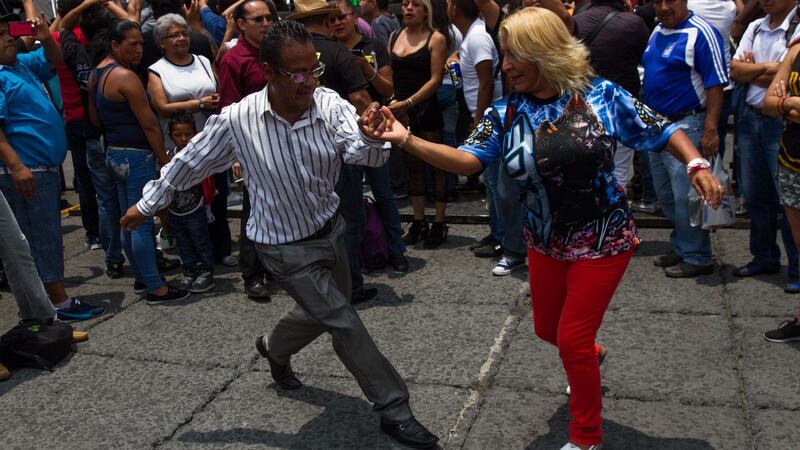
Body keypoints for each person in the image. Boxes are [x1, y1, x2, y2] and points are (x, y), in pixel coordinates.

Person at [366, 7, 723, 449]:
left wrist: (696, 163)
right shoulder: (505, 112)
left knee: (571, 340)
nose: (506, 66)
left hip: (603, 240)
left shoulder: (601, 97)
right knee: (546, 331)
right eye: (503, 55)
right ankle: (589, 358)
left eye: (515, 55)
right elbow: (467, 159)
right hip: (544, 241)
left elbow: (661, 128)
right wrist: (404, 139)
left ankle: (586, 437)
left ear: (546, 53)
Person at [120, 19, 439, 449]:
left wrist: (371, 135)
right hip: (280, 245)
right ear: (269, 71)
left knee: (324, 311)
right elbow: (189, 162)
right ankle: (394, 409)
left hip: (331, 231)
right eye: (297, 73)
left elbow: (365, 155)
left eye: (315, 69)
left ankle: (273, 346)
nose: (309, 81)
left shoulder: (329, 105)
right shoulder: (238, 119)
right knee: (343, 321)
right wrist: (147, 204)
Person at [0, 13, 106, 321]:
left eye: (10, 32)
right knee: (40, 237)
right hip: (26, 169)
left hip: (40, 168)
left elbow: (54, 59)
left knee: (45, 235)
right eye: (2, 34)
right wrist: (16, 166)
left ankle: (51, 300)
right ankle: (57, 303)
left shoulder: (18, 65)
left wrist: (46, 35)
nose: (9, 38)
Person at [88, 20, 189, 304]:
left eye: (141, 43)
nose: (138, 49)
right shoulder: (126, 77)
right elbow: (150, 125)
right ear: (115, 45)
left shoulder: (97, 74)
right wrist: (165, 160)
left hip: (114, 153)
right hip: (136, 155)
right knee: (140, 219)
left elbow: (94, 119)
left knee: (127, 219)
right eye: (132, 44)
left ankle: (144, 277)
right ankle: (156, 287)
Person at [641, 0, 728, 278]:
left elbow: (716, 84)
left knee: (687, 196)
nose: (664, 7)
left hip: (686, 124)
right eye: (658, 2)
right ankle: (681, 244)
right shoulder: (656, 31)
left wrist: (711, 129)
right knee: (665, 193)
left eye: (670, 1)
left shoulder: (702, 32)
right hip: (656, 127)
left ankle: (698, 256)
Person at [330, 0, 410, 272]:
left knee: (383, 192)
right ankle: (356, 259)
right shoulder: (327, 50)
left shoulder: (373, 47)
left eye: (343, 17)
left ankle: (396, 249)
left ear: (354, 17)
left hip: (375, 131)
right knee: (347, 200)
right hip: (341, 134)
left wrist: (366, 69)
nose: (338, 22)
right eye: (333, 18)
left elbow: (387, 88)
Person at [730, 0, 800, 291]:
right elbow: (734, 70)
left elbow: (778, 77)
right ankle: (764, 255)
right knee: (755, 194)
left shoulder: (796, 30)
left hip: (779, 124)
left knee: (788, 200)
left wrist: (754, 70)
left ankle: (796, 268)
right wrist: (768, 71)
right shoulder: (756, 27)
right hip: (750, 117)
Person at [217, 0, 277, 301]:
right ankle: (252, 275)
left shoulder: (275, 51)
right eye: (258, 19)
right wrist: (237, 155)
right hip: (252, 146)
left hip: (280, 141)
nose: (266, 23)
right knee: (254, 210)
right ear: (241, 24)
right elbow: (228, 109)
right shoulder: (234, 59)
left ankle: (275, 267)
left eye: (268, 18)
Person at [390, 0, 449, 248]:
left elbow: (436, 80)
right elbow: (392, 74)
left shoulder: (436, 38)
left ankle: (439, 221)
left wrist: (409, 102)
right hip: (402, 110)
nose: (408, 8)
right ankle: (418, 221)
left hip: (425, 108)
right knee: (412, 167)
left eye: (415, 4)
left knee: (436, 165)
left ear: (426, 10)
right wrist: (395, 102)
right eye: (405, 4)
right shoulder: (394, 35)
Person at [762, 34, 800, 342]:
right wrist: (788, 103)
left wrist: (785, 102)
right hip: (792, 162)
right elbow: (769, 104)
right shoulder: (796, 49)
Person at [163, 113, 215, 292]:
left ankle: (206, 271)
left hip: (196, 208)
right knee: (183, 242)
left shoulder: (199, 156)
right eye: (178, 135)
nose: (184, 139)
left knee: (201, 241)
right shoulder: (168, 157)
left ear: (195, 134)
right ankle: (189, 270)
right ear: (170, 136)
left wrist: (208, 205)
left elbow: (208, 182)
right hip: (174, 210)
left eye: (188, 134)